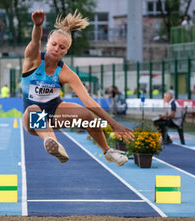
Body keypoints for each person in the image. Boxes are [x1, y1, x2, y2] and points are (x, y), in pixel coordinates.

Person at [21, 10, 134, 166]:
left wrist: (113, 124)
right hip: (32, 119)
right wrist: (38, 25)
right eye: (54, 44)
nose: (56, 49)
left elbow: (88, 101)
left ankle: (108, 151)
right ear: (48, 43)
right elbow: (35, 41)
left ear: (66, 51)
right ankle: (52, 143)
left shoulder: (67, 73)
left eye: (62, 47)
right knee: (34, 109)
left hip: (54, 114)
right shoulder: (32, 60)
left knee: (86, 114)